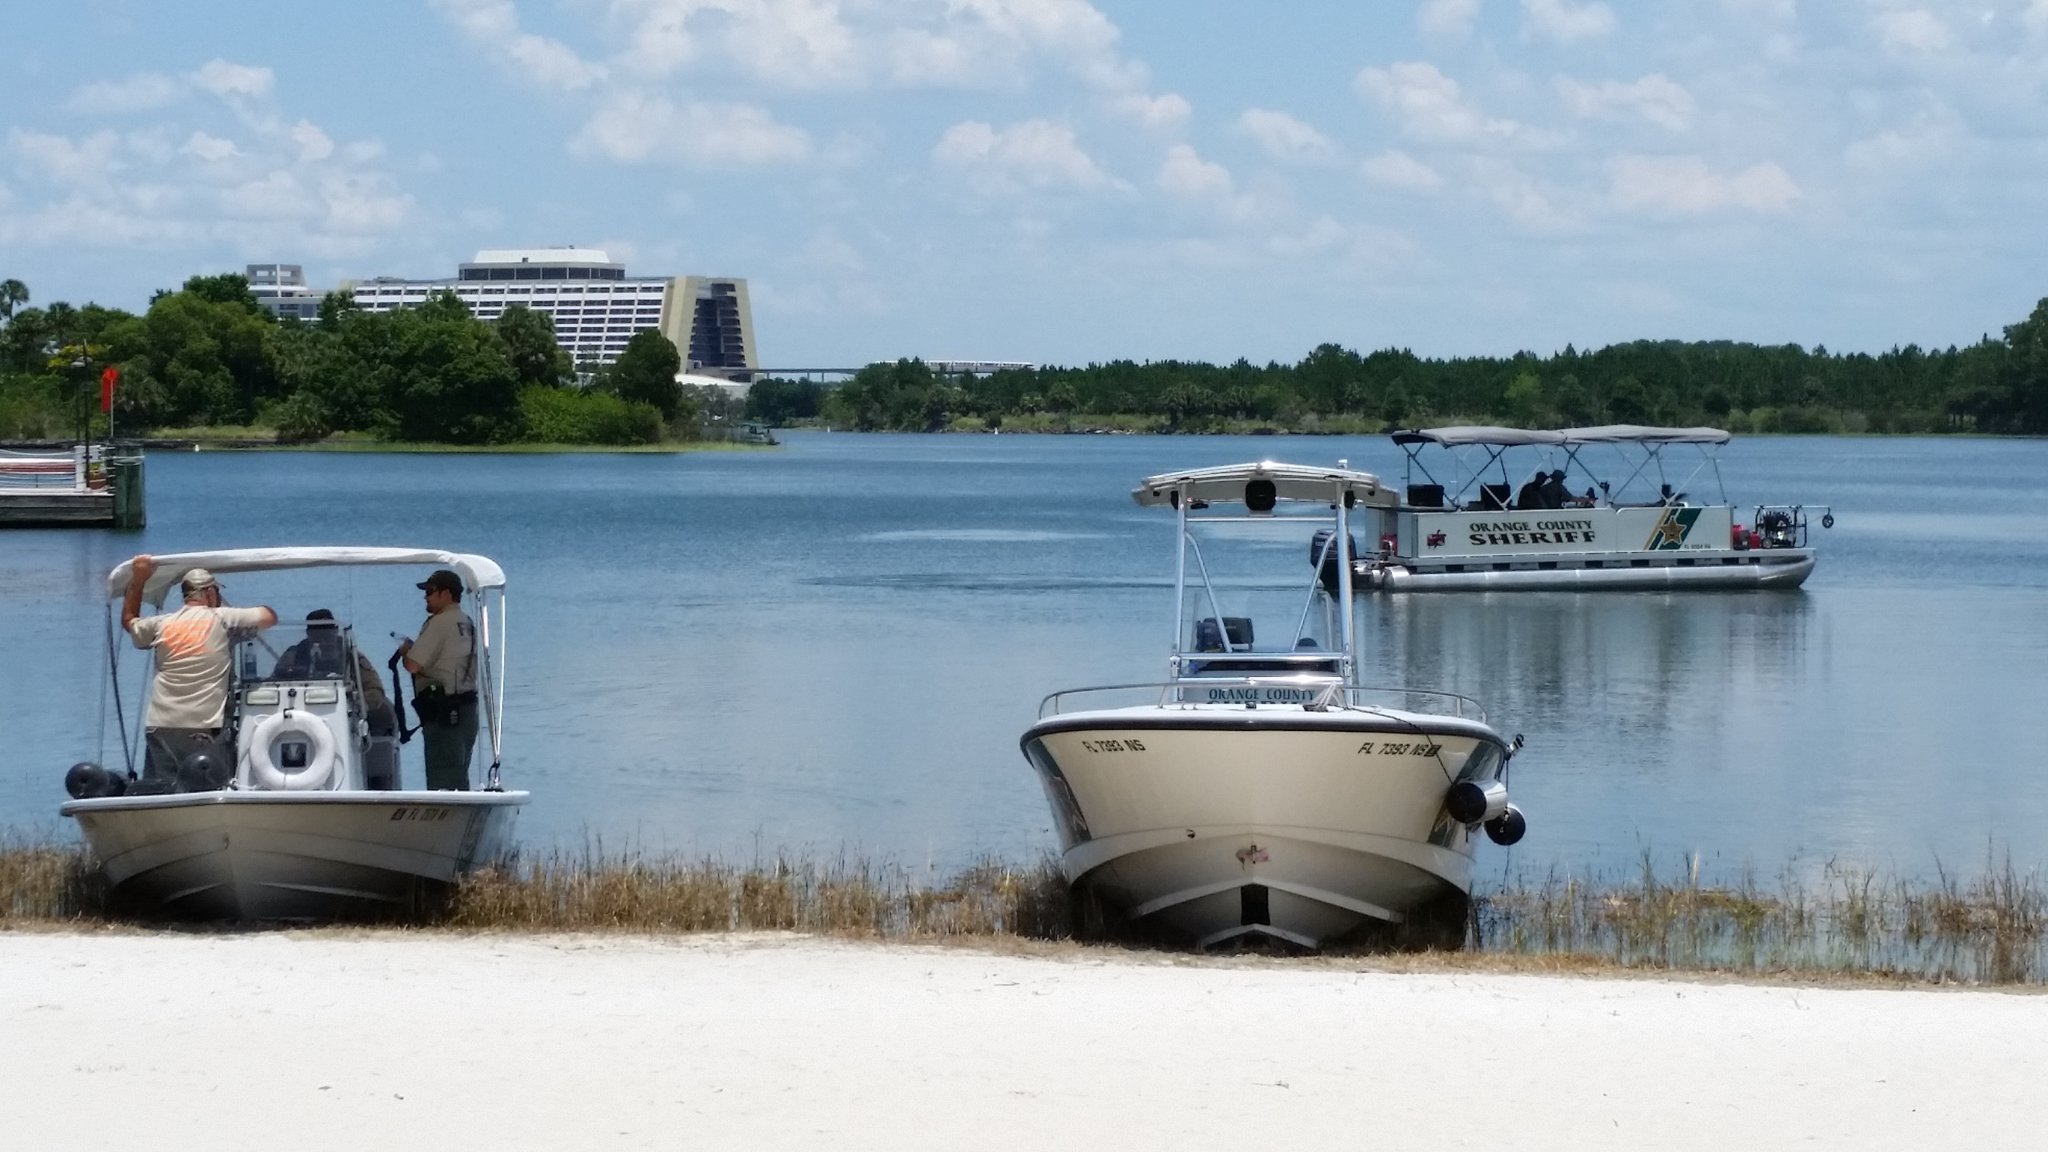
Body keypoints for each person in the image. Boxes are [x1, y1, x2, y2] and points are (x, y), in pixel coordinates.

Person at [121, 555, 278, 781]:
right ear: (210, 593)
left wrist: (139, 579)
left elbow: (129, 621)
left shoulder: (161, 624)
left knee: (164, 787)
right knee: (209, 784)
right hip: (204, 725)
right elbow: (269, 616)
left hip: (160, 724)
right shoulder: (222, 617)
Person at [276, 609, 401, 788]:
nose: (324, 639)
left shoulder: (351, 656)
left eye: (328, 632)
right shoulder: (294, 656)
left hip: (345, 719)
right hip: (303, 719)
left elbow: (375, 690)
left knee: (376, 744)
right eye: (317, 633)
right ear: (308, 634)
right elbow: (275, 683)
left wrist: (357, 705)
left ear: (336, 631)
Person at [398, 569, 478, 791]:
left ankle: (445, 823)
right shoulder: (467, 621)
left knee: (442, 781)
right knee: (459, 776)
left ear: (447, 594)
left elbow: (413, 665)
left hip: (444, 714)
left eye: (431, 592)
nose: (426, 597)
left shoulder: (440, 623)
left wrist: (406, 651)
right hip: (468, 711)